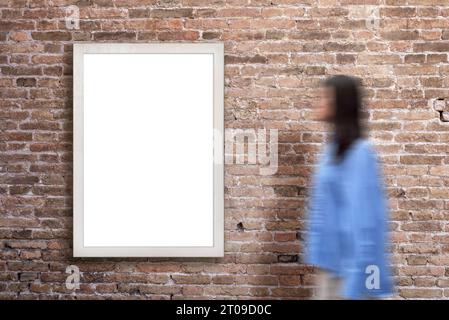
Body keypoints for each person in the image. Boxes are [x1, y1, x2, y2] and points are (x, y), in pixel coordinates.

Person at [305, 75, 394, 299]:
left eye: (325, 98)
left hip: (349, 274)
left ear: (340, 105)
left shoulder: (360, 154)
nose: (319, 103)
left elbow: (367, 224)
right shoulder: (331, 151)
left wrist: (360, 284)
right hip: (330, 267)